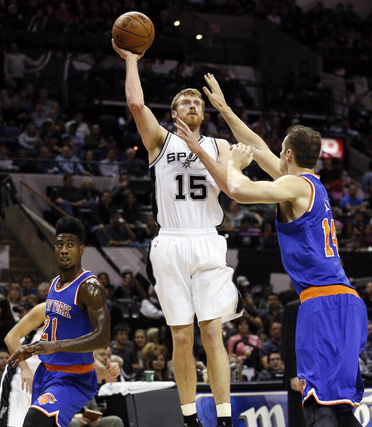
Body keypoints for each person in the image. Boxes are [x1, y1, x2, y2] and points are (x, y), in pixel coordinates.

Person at [215, 73, 367, 425]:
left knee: (315, 403)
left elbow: (239, 190)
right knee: (339, 405)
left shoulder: (295, 187)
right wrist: (225, 110)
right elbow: (257, 146)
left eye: (280, 149)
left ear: (288, 154)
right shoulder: (311, 186)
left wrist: (234, 165)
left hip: (322, 304)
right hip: (347, 303)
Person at [113, 42, 242, 427]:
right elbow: (136, 104)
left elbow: (232, 187)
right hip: (169, 240)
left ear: (204, 112)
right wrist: (132, 60)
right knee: (181, 338)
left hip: (207, 239)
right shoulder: (160, 140)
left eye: (197, 102)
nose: (192, 105)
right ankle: (189, 419)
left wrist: (205, 152)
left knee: (212, 333)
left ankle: (224, 418)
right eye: (185, 102)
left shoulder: (220, 146)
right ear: (174, 114)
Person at [5, 217, 111, 427]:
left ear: (81, 249)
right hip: (46, 373)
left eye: (70, 245)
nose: (64, 250)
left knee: (34, 422)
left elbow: (102, 338)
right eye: (59, 245)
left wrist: (54, 346)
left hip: (73, 378)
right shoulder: (55, 283)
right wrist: (34, 349)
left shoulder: (90, 287)